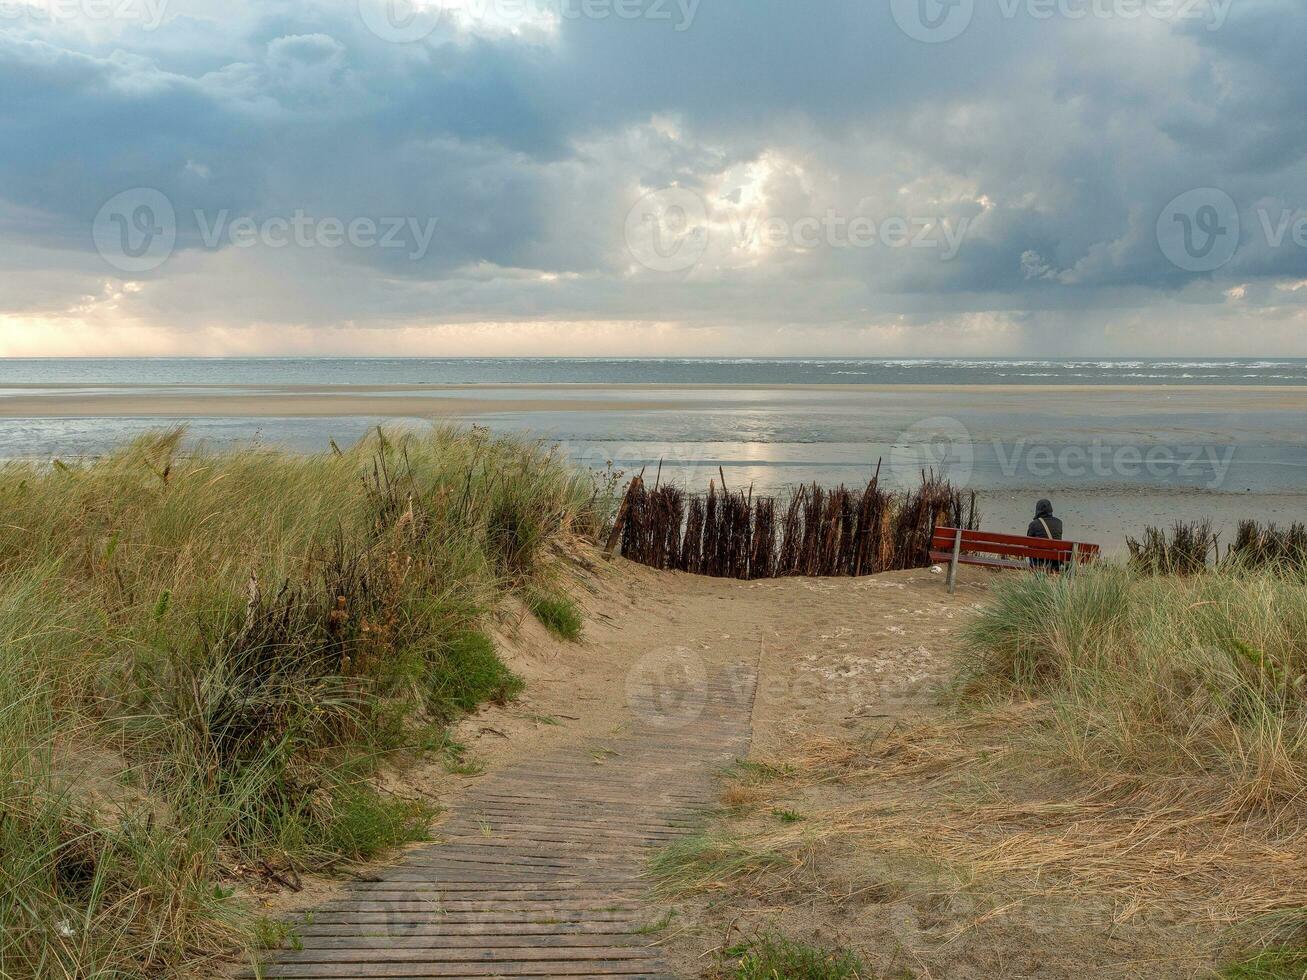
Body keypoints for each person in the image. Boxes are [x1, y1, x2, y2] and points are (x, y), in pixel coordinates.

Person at [1027, 498, 1064, 571]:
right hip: (1055, 563)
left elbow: (1029, 543)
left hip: (1037, 563)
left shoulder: (1034, 524)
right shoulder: (1059, 523)